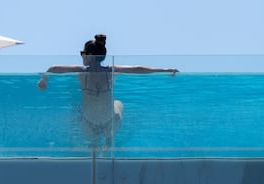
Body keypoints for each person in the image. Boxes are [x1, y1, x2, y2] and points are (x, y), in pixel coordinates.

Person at [37, 34, 178, 149]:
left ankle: (105, 140)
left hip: (92, 124)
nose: (81, 56)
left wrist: (45, 79)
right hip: (110, 123)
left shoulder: (82, 72)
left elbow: (54, 68)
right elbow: (137, 69)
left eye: (82, 53)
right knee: (116, 105)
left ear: (90, 55)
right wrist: (44, 79)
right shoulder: (108, 72)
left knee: (114, 107)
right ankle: (106, 140)